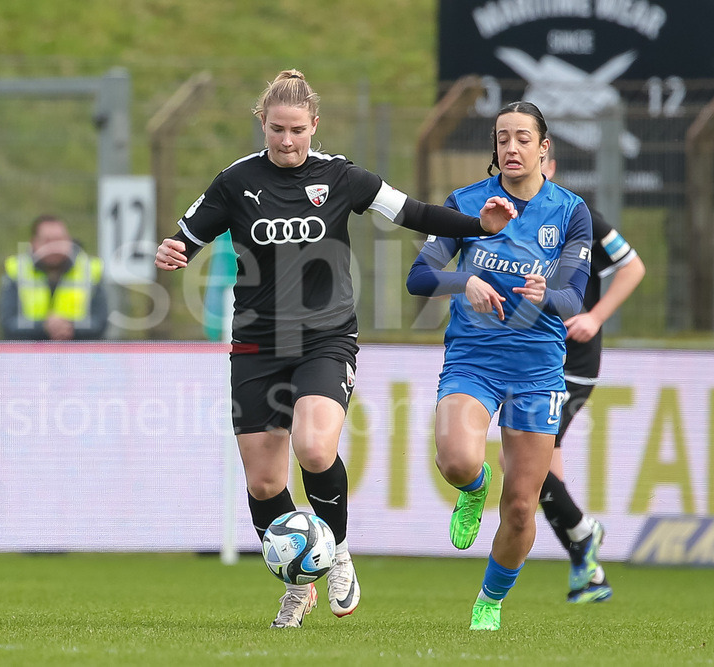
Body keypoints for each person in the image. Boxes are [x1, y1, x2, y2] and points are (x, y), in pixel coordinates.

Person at [155, 69, 516, 629]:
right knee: (264, 482)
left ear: (314, 126)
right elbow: (189, 234)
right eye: (276, 129)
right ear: (263, 124)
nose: (286, 140)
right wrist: (174, 250)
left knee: (316, 449)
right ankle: (299, 587)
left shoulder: (341, 177)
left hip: (325, 336)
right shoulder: (236, 182)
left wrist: (480, 227)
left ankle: (339, 553)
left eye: (297, 129)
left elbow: (413, 212)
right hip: (257, 343)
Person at [406, 101, 593, 631]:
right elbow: (420, 277)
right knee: (457, 460)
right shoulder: (467, 204)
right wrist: (462, 280)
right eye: (502, 138)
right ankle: (472, 488)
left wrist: (547, 292)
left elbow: (573, 300)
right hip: (474, 358)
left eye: (522, 139)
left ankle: (489, 601)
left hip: (537, 368)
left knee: (520, 508)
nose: (511, 148)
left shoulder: (569, 211)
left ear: (543, 148)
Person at [531, 147, 645, 603]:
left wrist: (596, 317)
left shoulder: (582, 216)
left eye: (537, 158)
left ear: (551, 167)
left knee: (525, 461)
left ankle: (583, 536)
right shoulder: (507, 218)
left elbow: (633, 267)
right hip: (532, 356)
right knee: (541, 469)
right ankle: (587, 565)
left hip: (571, 362)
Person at [0, 215, 108, 340]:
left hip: (80, 356)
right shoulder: (16, 271)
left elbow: (100, 324)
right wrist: (44, 327)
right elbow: (9, 325)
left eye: (60, 240)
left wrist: (69, 326)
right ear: (33, 243)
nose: (55, 247)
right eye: (47, 241)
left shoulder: (91, 270)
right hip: (29, 356)